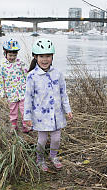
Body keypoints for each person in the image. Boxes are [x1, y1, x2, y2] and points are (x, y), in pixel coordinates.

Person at [24, 38, 73, 171]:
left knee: (56, 139)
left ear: (52, 57)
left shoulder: (57, 74)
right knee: (42, 140)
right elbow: (28, 98)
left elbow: (63, 93)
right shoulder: (31, 76)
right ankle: (40, 159)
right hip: (40, 116)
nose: (44, 59)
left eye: (48, 56)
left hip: (57, 114)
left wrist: (67, 109)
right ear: (35, 56)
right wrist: (27, 117)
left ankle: (53, 156)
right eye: (41, 56)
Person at [0, 39, 30, 133]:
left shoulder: (20, 63)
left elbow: (26, 74)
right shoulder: (2, 65)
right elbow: (0, 79)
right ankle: (14, 125)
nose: (12, 57)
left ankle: (25, 125)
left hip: (22, 90)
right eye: (10, 55)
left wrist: (30, 86)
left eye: (14, 55)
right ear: (5, 53)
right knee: (13, 110)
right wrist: (2, 91)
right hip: (10, 91)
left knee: (24, 109)